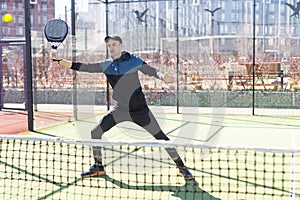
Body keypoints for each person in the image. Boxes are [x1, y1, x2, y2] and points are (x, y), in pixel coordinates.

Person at [53, 35, 193, 180]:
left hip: (140, 110)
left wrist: (163, 76)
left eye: (114, 44)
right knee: (95, 132)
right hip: (120, 110)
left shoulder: (133, 60)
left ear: (121, 46)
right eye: (109, 45)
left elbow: (150, 70)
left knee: (162, 138)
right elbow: (84, 67)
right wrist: (63, 62)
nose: (111, 48)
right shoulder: (106, 65)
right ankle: (98, 167)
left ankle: (182, 168)